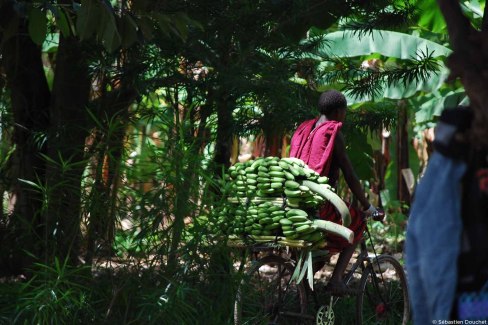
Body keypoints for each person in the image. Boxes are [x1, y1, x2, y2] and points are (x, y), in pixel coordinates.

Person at [289, 89, 378, 294]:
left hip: (295, 200)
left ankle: (303, 298)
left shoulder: (306, 128)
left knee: (324, 244)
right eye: (345, 112)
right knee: (356, 225)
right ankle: (336, 280)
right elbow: (349, 173)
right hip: (319, 203)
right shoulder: (332, 133)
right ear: (339, 111)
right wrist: (367, 206)